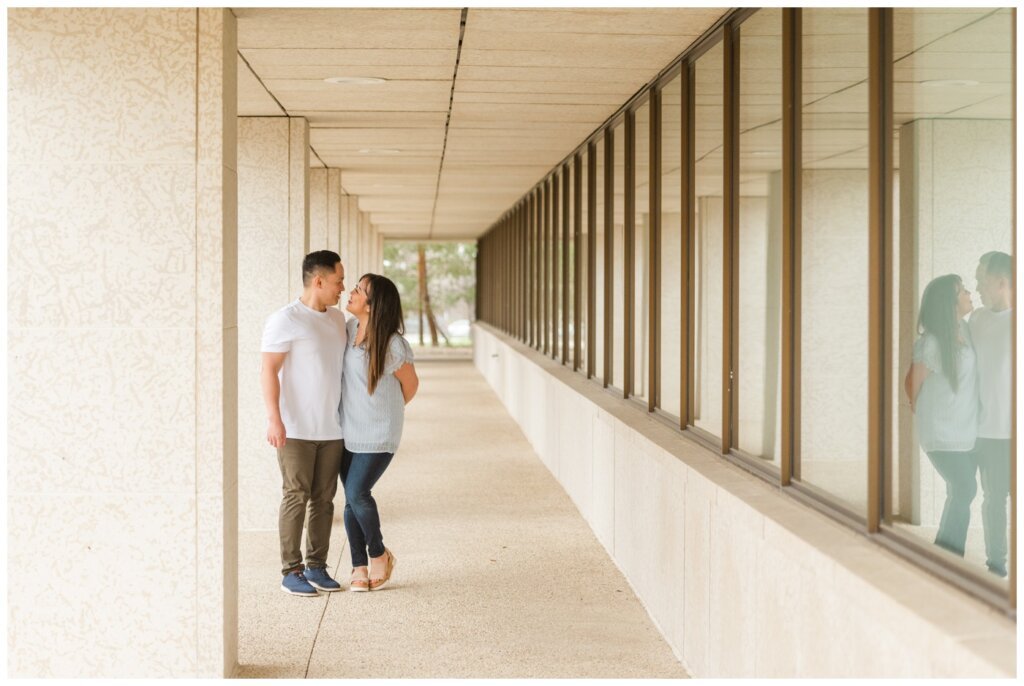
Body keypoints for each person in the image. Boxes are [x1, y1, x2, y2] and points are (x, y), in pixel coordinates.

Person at [260, 250, 348, 596]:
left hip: (332, 428)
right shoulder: (286, 319)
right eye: (338, 281)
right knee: (296, 495)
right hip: (295, 428)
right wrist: (274, 419)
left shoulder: (338, 319)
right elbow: (268, 370)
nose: (342, 287)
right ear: (319, 280)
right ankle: (290, 570)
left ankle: (316, 566)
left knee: (324, 500)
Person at [340, 274, 419, 591]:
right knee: (350, 499)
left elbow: (410, 387)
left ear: (373, 306)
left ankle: (378, 554)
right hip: (347, 428)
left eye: (359, 290)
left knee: (358, 493)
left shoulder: (392, 344)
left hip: (379, 433)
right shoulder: (348, 330)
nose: (352, 292)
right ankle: (358, 566)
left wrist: (386, 415)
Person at [904, 274, 978, 559]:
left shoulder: (965, 330)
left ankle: (944, 555)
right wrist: (922, 411)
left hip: (964, 430)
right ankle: (948, 555)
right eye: (962, 291)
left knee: (959, 491)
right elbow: (912, 383)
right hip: (941, 433)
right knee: (965, 488)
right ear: (949, 302)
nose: (969, 293)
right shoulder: (932, 343)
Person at [969, 251, 1013, 578]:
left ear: (1001, 282)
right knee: (992, 500)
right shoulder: (978, 320)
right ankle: (996, 566)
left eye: (982, 279)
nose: (978, 286)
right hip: (986, 431)